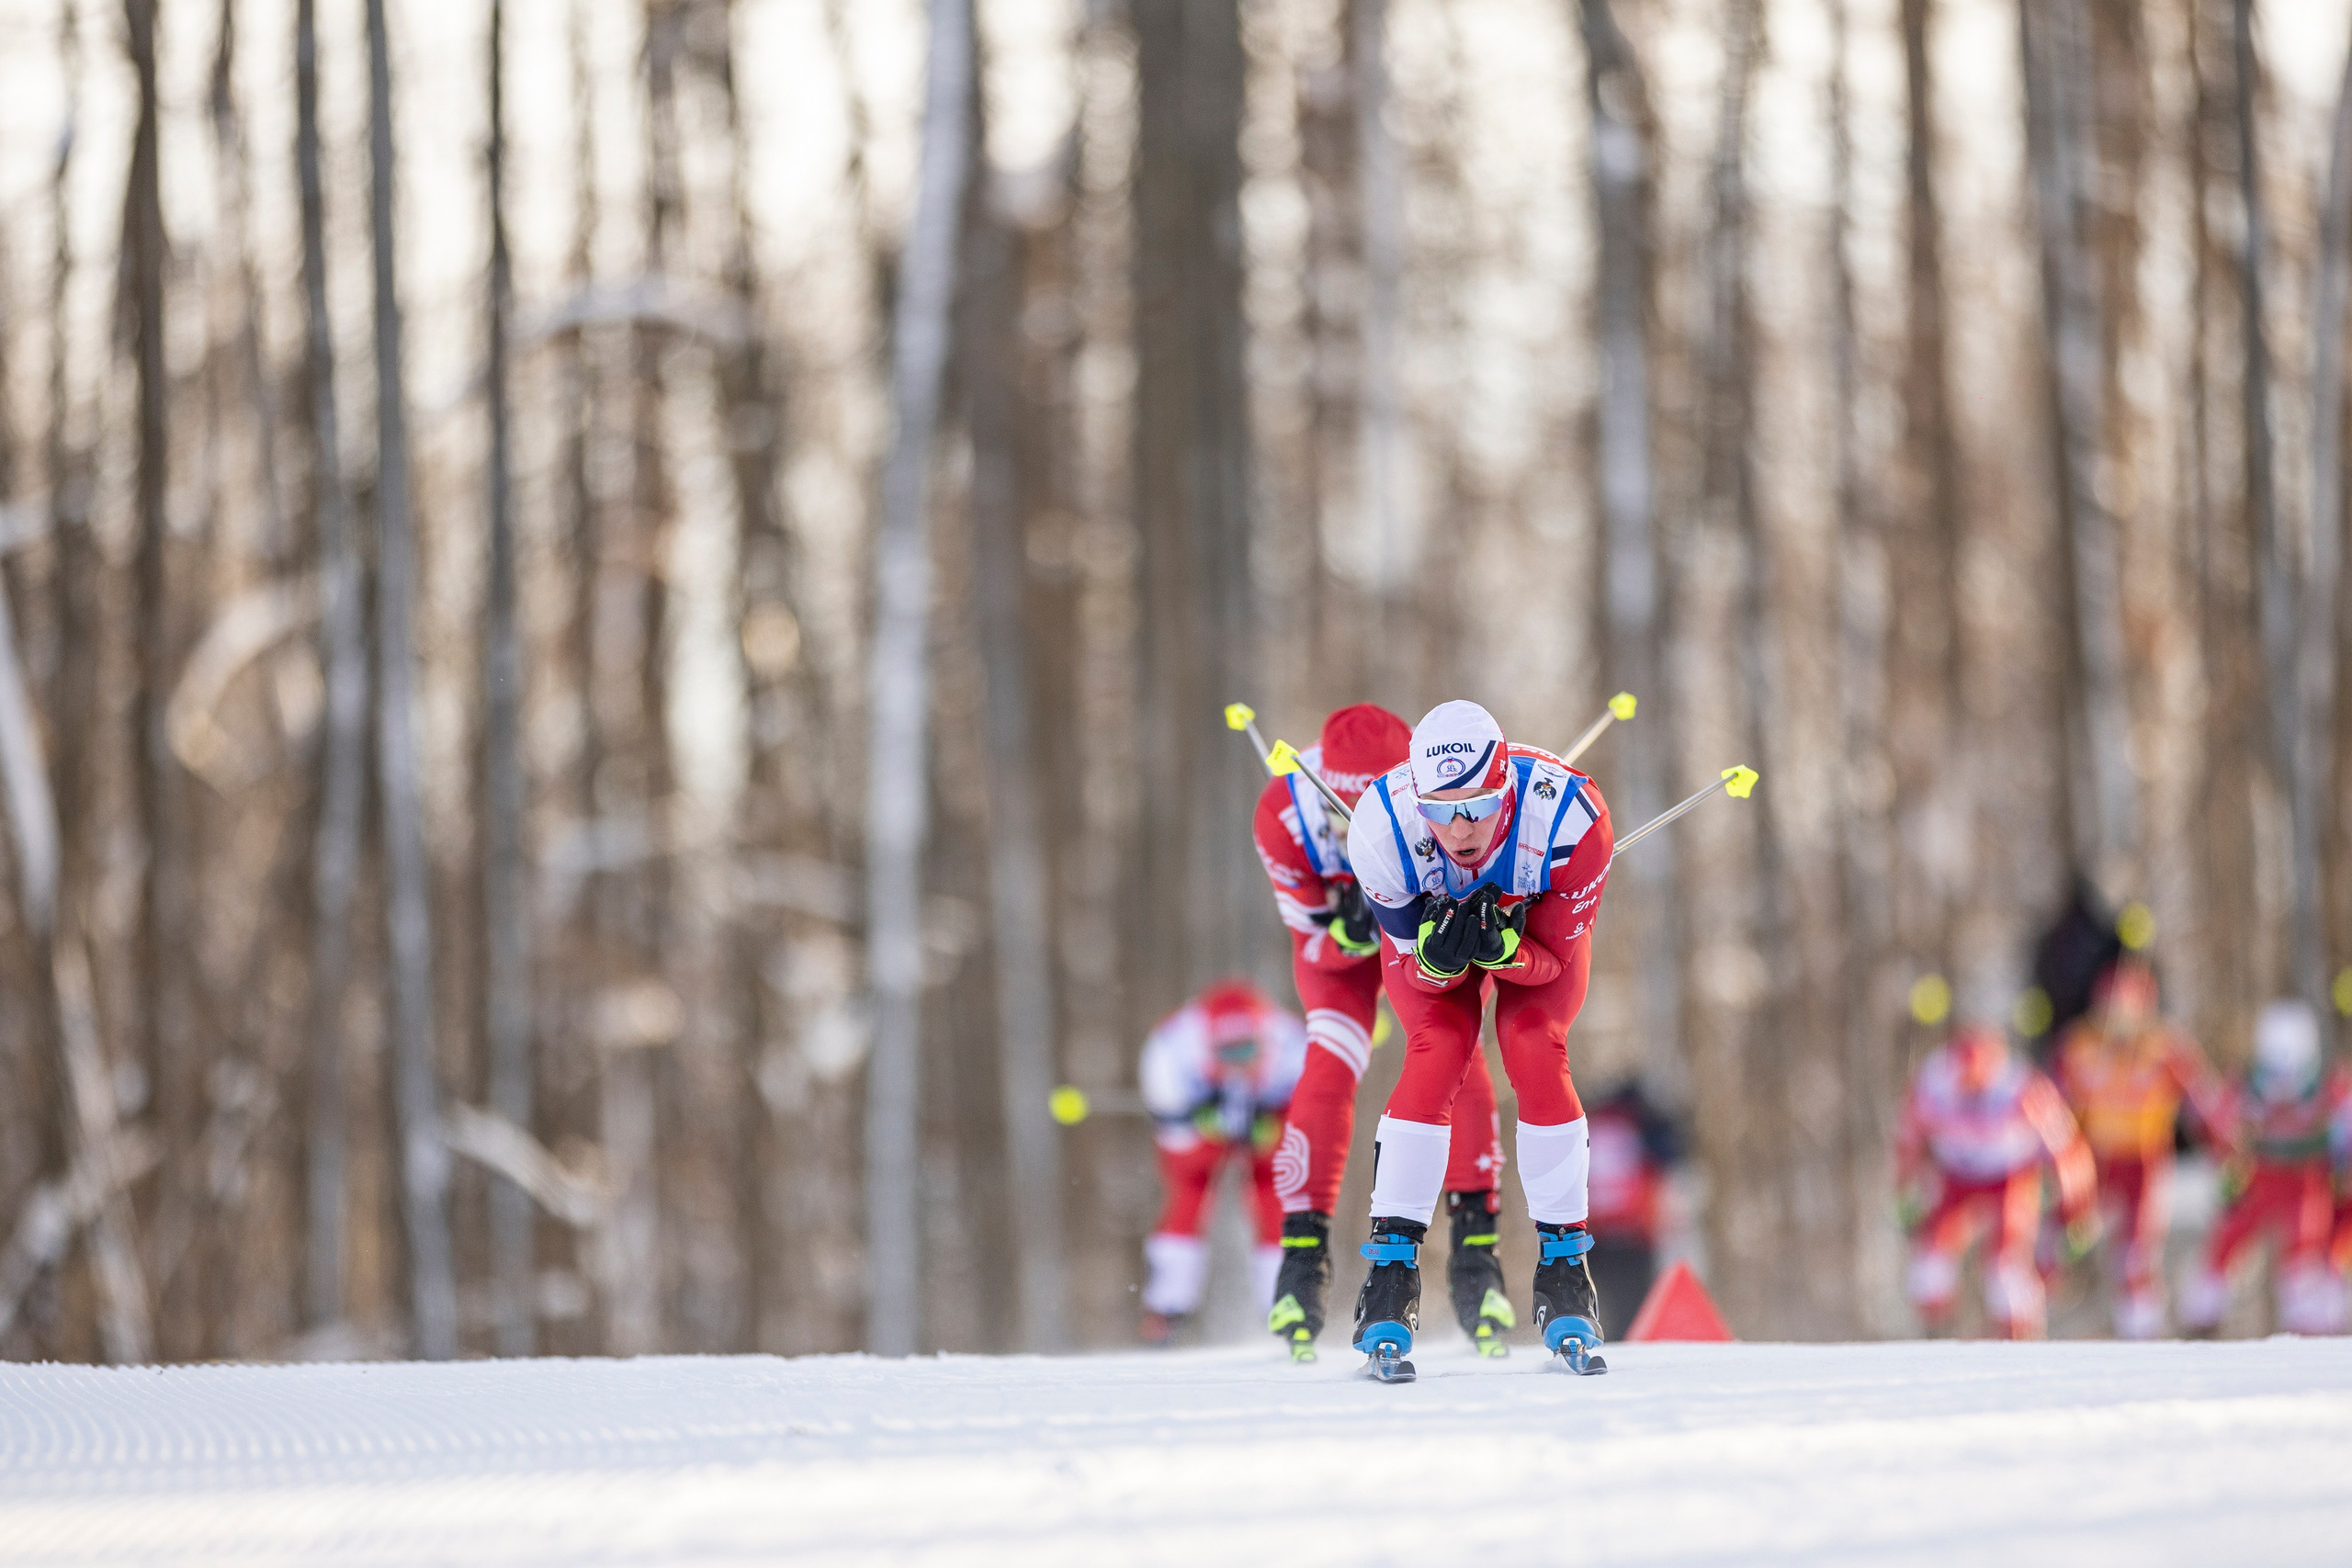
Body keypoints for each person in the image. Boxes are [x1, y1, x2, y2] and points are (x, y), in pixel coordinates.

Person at [1344, 700, 1617, 1370]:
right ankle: (1391, 1271)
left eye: (1479, 805)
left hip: (1534, 937)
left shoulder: (1575, 820)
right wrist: (1435, 959)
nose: (1460, 828)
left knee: (1533, 1041)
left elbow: (1551, 964)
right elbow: (1419, 975)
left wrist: (1508, 952)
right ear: (1417, 796)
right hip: (1432, 942)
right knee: (1441, 1048)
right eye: (1440, 808)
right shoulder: (1380, 829)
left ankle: (1563, 1267)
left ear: (1508, 787)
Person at [1251, 705, 1510, 1360]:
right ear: (1321, 796)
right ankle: (1303, 1257)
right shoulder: (1284, 814)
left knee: (1455, 1051)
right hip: (1346, 949)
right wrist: (1347, 930)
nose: (1352, 832)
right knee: (1332, 1055)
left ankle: (1476, 1248)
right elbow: (1312, 947)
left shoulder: (1440, 806)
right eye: (1341, 816)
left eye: (1368, 814)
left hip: (1419, 936)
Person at [2052, 958, 2232, 1337]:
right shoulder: (2079, 1044)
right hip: (2094, 1160)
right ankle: (2028, 1330)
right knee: (2060, 1239)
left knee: (2135, 1253)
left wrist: (2224, 1150)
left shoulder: (2165, 1047)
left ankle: (2142, 1337)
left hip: (2144, 1159)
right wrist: (2050, 1162)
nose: (2116, 1024)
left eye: (2126, 1012)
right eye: (2108, 1010)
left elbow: (2203, 1102)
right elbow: (2051, 1107)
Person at [1895, 1022, 2097, 1340]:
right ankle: (1935, 1339)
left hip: (2009, 1176)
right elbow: (1908, 1139)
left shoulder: (2021, 1089)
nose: (1970, 1093)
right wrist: (1906, 1190)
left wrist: (2075, 1209)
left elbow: (2066, 1149)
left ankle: (2020, 1339)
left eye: (1978, 1085)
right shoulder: (1934, 1084)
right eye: (1964, 1084)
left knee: (2005, 1269)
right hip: (1956, 1175)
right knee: (1929, 1264)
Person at [1136, 978, 1308, 1345]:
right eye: (1228, 1054)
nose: (1238, 1065)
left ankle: (1285, 1296)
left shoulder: (1292, 1042)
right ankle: (1167, 1305)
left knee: (1276, 1190)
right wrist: (1202, 1125)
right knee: (1189, 1190)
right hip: (1199, 1115)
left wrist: (1275, 1126)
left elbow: (1311, 1106)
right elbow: (1172, 1130)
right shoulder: (1171, 1048)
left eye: (1246, 1052)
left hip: (1270, 1110)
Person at [2179, 1001, 2348, 1337]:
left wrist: (2342, 1159)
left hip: (2306, 1181)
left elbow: (2344, 1125)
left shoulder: (2328, 1088)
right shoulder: (2247, 1086)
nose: (2284, 1089)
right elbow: (2218, 1122)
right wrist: (2226, 1152)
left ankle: (2309, 1321)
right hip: (2259, 1177)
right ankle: (2205, 1310)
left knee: (2305, 1250)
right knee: (2229, 1237)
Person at [1582, 1079, 1684, 1338]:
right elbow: (1671, 1156)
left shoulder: (1590, 1123)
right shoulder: (1644, 1126)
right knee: (1636, 1313)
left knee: (1593, 1306)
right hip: (1635, 1233)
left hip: (1592, 1234)